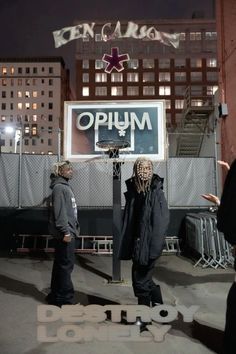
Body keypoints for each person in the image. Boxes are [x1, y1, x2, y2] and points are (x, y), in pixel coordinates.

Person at [118, 157, 169, 309]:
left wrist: (154, 248)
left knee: (140, 281)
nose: (144, 171)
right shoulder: (134, 191)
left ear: (152, 169)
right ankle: (159, 307)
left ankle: (144, 318)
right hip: (137, 243)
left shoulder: (156, 192)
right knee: (144, 279)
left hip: (148, 246)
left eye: (148, 168)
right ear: (136, 170)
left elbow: (161, 223)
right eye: (141, 168)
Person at [45, 160, 80, 307]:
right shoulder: (60, 188)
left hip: (67, 232)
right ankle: (64, 300)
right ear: (60, 172)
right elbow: (60, 214)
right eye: (68, 169)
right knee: (66, 266)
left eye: (71, 169)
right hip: (66, 234)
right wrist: (66, 232)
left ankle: (55, 295)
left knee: (60, 265)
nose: (71, 171)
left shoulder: (64, 187)